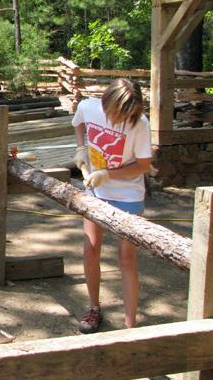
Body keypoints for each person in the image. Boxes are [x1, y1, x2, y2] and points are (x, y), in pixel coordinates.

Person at [71, 78, 152, 334]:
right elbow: (79, 125)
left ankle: (130, 325)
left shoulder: (139, 123)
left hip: (128, 195)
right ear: (106, 102)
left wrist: (108, 174)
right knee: (90, 249)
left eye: (123, 116)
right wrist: (81, 148)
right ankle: (94, 308)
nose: (117, 120)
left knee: (126, 258)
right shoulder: (89, 106)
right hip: (95, 192)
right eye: (114, 114)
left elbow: (142, 165)